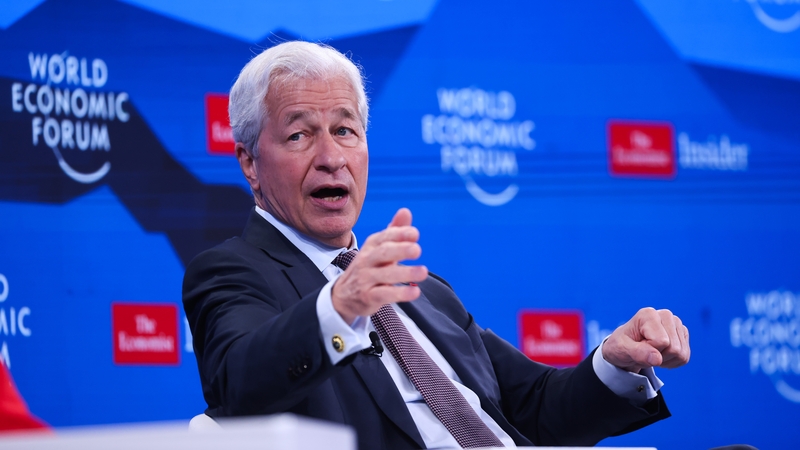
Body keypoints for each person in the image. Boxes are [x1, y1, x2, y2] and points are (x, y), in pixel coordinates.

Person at [182, 41, 690, 449]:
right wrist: (338, 307)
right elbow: (239, 385)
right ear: (249, 162)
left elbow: (535, 410)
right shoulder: (232, 272)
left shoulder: (423, 292)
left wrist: (616, 363)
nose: (331, 157)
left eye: (345, 130)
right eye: (299, 136)